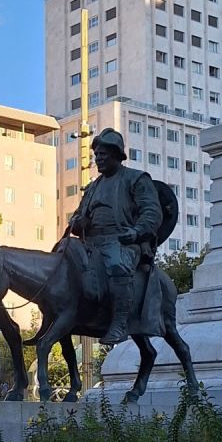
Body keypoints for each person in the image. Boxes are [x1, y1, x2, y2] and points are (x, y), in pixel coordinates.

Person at [67, 127, 162, 346]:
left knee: (117, 264)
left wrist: (137, 232)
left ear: (116, 154)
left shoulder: (136, 179)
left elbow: (151, 212)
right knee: (63, 256)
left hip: (122, 240)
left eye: (103, 154)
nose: (98, 158)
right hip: (91, 242)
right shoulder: (93, 187)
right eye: (96, 154)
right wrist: (78, 223)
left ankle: (119, 323)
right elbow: (77, 217)